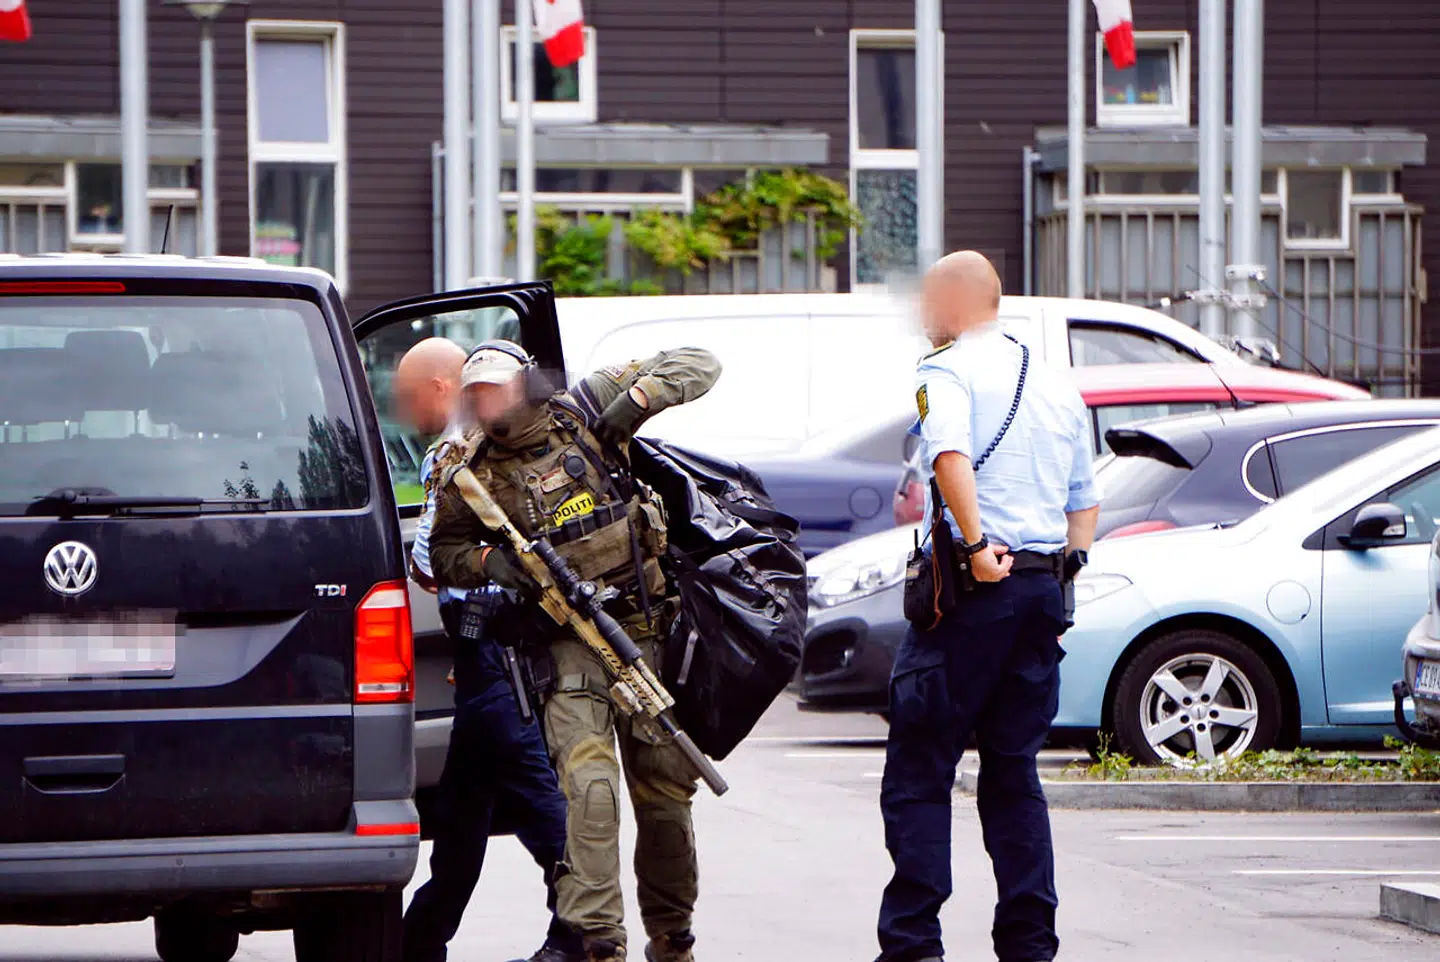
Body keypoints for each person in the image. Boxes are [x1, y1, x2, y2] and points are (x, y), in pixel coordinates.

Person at [428, 340, 721, 962]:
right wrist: (491, 561)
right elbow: (443, 551)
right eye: (477, 394)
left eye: (498, 388)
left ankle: (672, 935)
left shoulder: (585, 408)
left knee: (665, 797)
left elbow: (700, 363)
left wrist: (636, 401)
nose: (489, 403)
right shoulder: (470, 474)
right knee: (588, 792)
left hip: (645, 630)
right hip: (568, 646)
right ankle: (598, 941)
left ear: (526, 383)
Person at [876, 252, 1100, 962]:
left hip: (974, 591)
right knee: (1013, 771)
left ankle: (913, 945)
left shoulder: (944, 371)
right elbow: (1084, 501)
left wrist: (974, 547)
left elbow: (949, 455)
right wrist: (1066, 571)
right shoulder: (1057, 384)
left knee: (920, 768)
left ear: (955, 300)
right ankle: (1030, 945)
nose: (920, 314)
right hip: (1040, 591)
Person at [393, 337, 583, 962]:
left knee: (533, 794)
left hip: (495, 650)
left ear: (443, 389)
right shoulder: (519, 445)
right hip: (495, 646)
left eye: (409, 396)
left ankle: (581, 929)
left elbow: (428, 563)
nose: (404, 411)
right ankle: (420, 940)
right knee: (462, 808)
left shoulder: (455, 454)